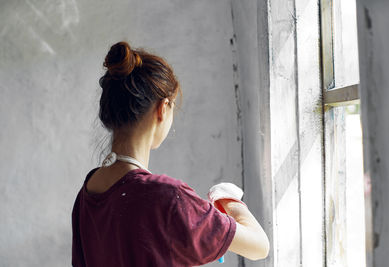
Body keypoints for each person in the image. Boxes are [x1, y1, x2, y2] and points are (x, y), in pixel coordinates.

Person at [71, 41, 269, 267]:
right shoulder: (166, 197)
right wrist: (228, 200)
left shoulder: (87, 193)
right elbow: (259, 246)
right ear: (163, 109)